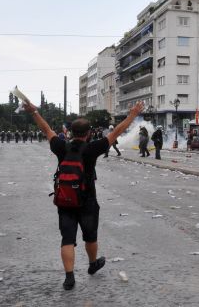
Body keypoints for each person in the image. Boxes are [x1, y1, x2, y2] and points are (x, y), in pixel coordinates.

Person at [23, 100, 144, 290]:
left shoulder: (61, 146)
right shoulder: (92, 148)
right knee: (90, 236)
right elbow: (117, 131)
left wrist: (33, 112)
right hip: (87, 200)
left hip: (65, 200)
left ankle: (69, 277)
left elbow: (47, 129)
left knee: (67, 239)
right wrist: (133, 114)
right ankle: (92, 263)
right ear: (89, 134)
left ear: (70, 133)